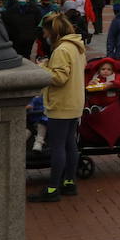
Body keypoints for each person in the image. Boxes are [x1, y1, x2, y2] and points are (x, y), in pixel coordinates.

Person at [28, 13, 86, 202]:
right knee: (70, 144)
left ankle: (53, 188)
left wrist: (42, 68)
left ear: (52, 31)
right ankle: (69, 182)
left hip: (61, 103)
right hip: (74, 101)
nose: (44, 35)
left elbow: (59, 78)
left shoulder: (61, 50)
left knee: (58, 146)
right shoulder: (77, 47)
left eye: (45, 31)